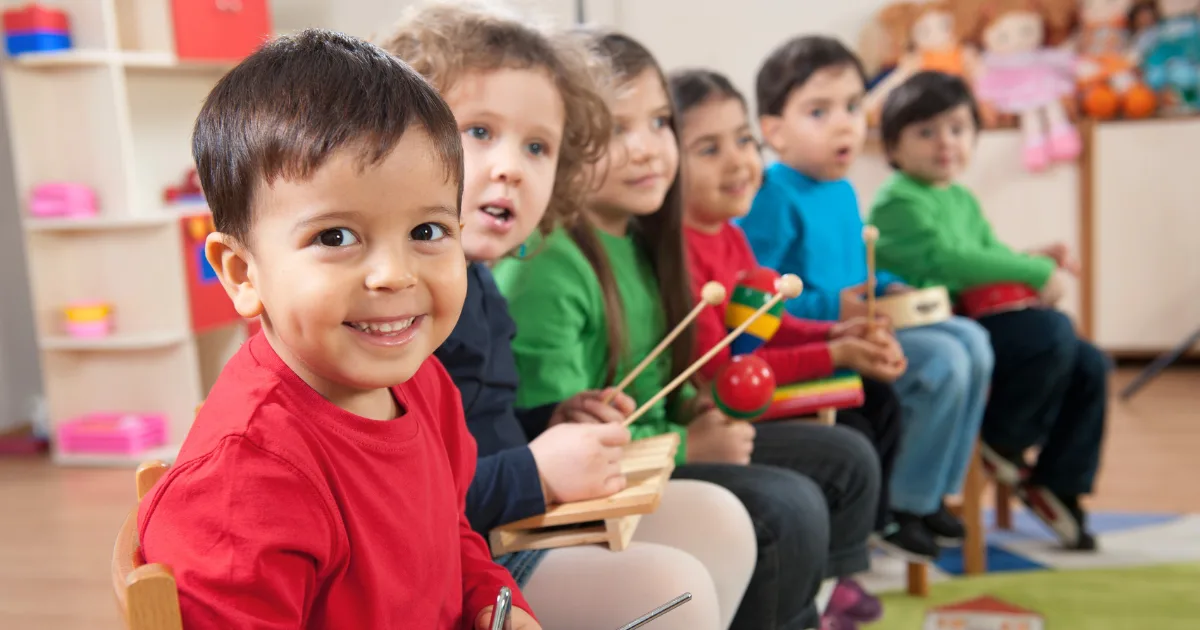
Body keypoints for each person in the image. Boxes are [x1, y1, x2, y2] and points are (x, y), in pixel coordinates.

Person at [136, 29, 540, 629]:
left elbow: (452, 539)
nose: (393, 276)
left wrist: (493, 604)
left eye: (427, 232)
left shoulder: (424, 383)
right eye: (335, 237)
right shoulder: (242, 489)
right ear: (244, 273)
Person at [376, 4, 757, 628]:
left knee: (721, 519)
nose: (510, 166)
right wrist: (534, 470)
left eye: (537, 147)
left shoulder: (478, 282)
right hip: (457, 564)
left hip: (505, 520)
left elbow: (479, 429)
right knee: (675, 587)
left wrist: (547, 420)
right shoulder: (399, 307)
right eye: (478, 132)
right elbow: (407, 497)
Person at [495, 29, 884, 630]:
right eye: (617, 130)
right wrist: (688, 445)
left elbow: (670, 380)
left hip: (654, 444)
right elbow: (561, 440)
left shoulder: (645, 239)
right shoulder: (550, 266)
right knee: (787, 508)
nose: (648, 149)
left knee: (843, 458)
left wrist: (699, 408)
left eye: (657, 122)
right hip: (604, 482)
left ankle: (822, 607)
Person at [737, 35, 993, 558]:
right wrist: (837, 308)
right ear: (773, 131)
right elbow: (758, 301)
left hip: (863, 321)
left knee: (973, 341)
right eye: (818, 111)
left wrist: (889, 282)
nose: (844, 123)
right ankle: (901, 504)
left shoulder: (843, 189)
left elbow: (857, 266)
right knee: (943, 359)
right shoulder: (772, 194)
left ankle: (929, 495)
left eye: (854, 107)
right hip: (823, 340)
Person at [868, 70, 1109, 551]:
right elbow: (947, 261)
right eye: (926, 132)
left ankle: (1057, 480)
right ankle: (1002, 438)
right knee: (1051, 333)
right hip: (936, 327)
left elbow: (989, 257)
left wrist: (1032, 259)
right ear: (892, 147)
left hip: (970, 323)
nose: (945, 143)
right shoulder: (897, 201)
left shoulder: (959, 197)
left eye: (958, 130)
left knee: (1091, 362)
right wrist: (1036, 272)